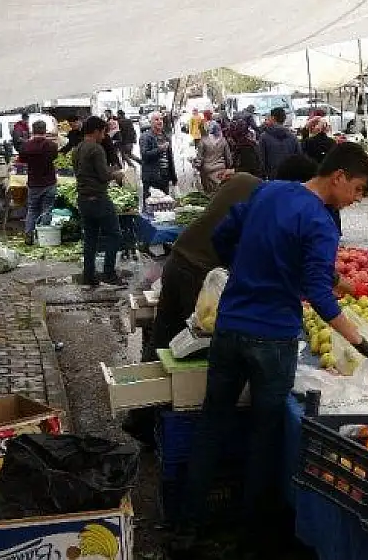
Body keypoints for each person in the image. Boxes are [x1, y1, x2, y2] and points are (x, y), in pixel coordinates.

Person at [182, 143, 368, 550]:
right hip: (272, 337)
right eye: (358, 190)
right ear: (339, 177)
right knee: (264, 435)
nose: (356, 200)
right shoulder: (322, 222)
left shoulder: (270, 191)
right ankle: (252, 535)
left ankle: (187, 525)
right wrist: (364, 344)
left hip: (230, 327)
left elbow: (223, 236)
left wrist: (247, 267)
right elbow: (319, 295)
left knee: (212, 425)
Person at [124, 156, 323, 447]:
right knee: (203, 353)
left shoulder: (243, 180)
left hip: (178, 260)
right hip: (202, 278)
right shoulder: (275, 205)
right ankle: (182, 426)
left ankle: (140, 420)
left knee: (163, 340)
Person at [73, 116, 125, 287]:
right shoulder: (96, 149)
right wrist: (116, 173)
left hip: (83, 199)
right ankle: (108, 273)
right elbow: (103, 175)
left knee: (90, 238)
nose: (104, 136)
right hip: (98, 198)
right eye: (103, 132)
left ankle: (88, 275)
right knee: (114, 234)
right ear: (96, 131)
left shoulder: (78, 148)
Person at [20, 120, 59, 245]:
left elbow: (23, 159)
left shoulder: (26, 146)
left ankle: (29, 234)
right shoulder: (51, 146)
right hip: (49, 182)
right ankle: (43, 236)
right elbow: (54, 157)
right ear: (45, 130)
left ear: (33, 130)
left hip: (34, 182)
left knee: (32, 209)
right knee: (47, 210)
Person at [139, 112, 177, 201]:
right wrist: (160, 149)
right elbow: (145, 155)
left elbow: (169, 158)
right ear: (150, 122)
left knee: (164, 205)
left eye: (161, 119)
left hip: (165, 177)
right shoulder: (146, 137)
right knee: (151, 207)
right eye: (156, 120)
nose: (160, 121)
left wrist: (173, 177)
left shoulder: (165, 136)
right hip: (152, 178)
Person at [194, 122, 234, 194]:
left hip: (207, 171)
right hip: (221, 169)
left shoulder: (203, 141)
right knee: (221, 191)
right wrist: (229, 167)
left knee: (209, 193)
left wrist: (197, 168)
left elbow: (199, 159)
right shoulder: (223, 141)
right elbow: (228, 158)